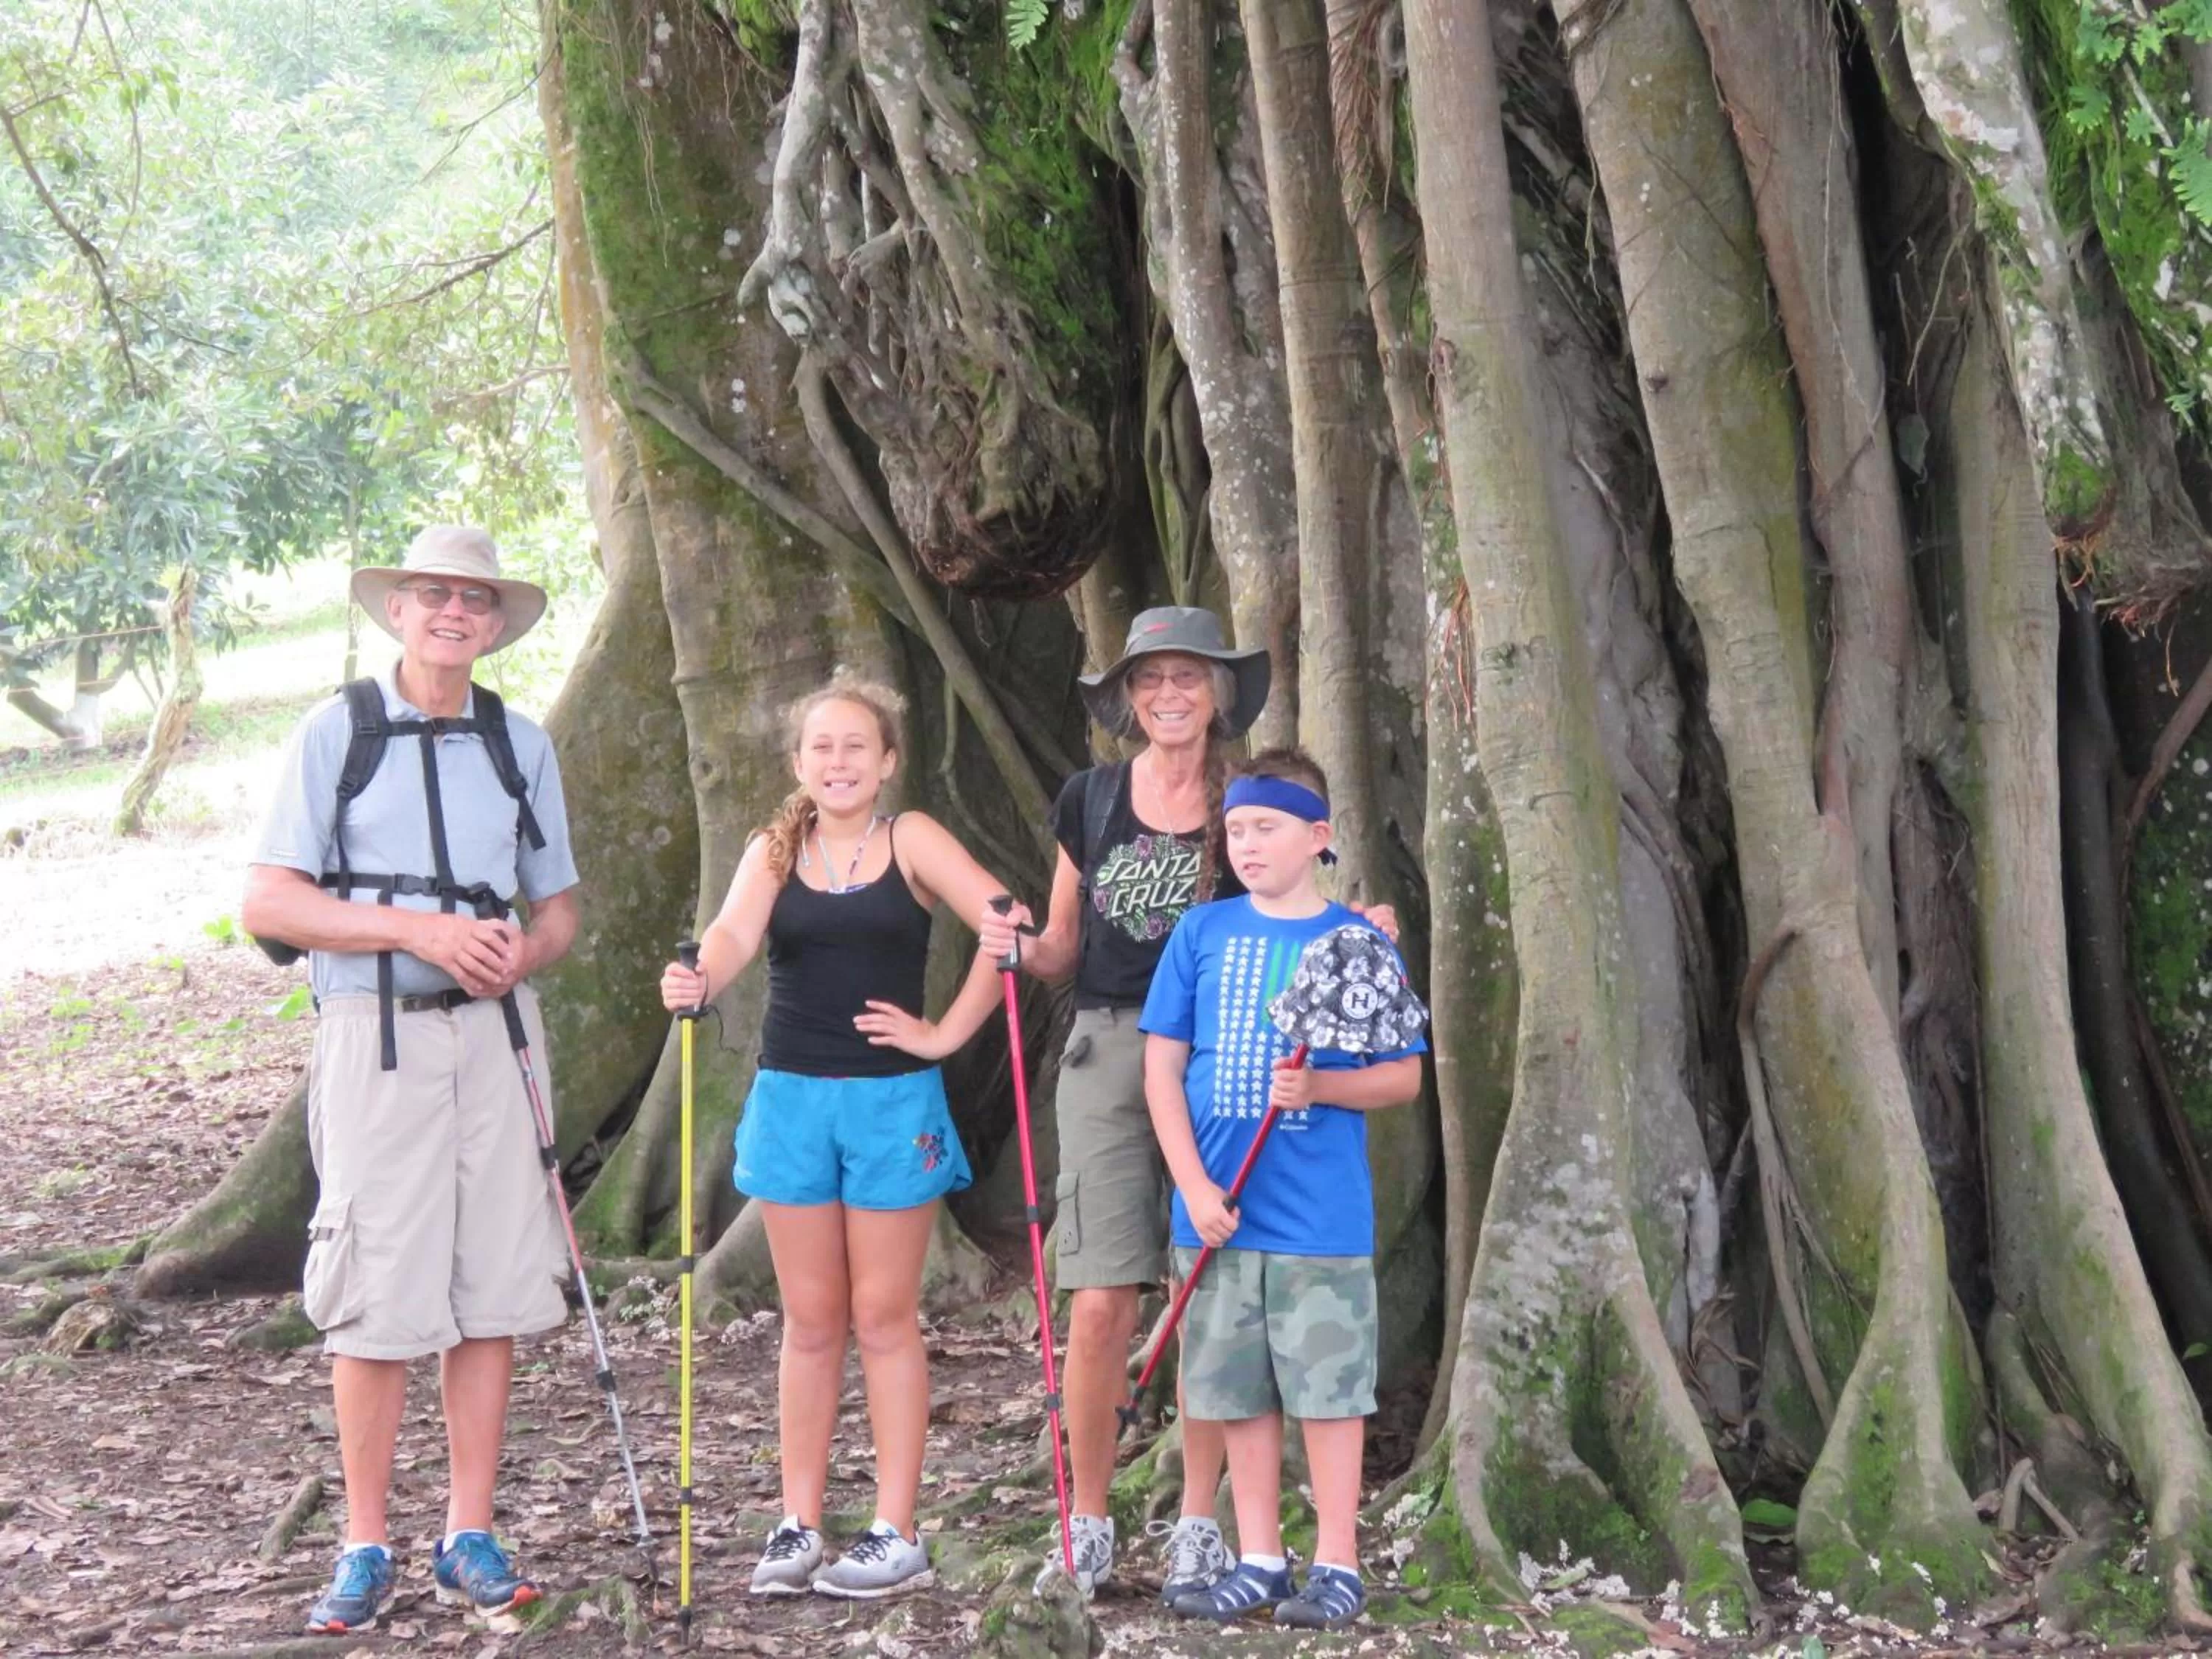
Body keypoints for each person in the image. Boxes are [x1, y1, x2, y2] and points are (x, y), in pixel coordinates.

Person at [240, 526, 580, 1635]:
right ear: (397, 609)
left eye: (474, 599)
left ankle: (468, 1534)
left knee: (494, 1283)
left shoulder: (519, 744)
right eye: (434, 593)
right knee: (375, 1290)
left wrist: (519, 953)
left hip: (495, 1036)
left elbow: (558, 910)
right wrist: (418, 930)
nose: (453, 612)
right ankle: (365, 1543)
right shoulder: (336, 733)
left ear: (495, 622)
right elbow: (269, 903)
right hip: (373, 1035)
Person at [658, 678, 1030, 1600]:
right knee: (813, 1321)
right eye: (821, 747)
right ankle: (799, 1523)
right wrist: (698, 979)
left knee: (884, 1318)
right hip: (791, 1101)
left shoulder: (913, 838)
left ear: (888, 760)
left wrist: (944, 1035)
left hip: (892, 1106)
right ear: (798, 763)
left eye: (856, 746)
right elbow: (732, 934)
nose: (838, 762)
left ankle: (896, 1530)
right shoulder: (775, 848)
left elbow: (1008, 926)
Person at [1012, 605, 1269, 1600]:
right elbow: (1061, 948)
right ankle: (1087, 1520)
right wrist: (1015, 944)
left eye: (1188, 676)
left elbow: (1286, 912)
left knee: (1204, 1285)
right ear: (1127, 696)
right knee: (1100, 1300)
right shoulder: (1091, 797)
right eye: (1151, 677)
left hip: (1219, 1048)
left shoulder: (1246, 799)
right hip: (1111, 1043)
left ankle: (1199, 1522)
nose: (1169, 694)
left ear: (1219, 693)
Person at [1141, 748, 1424, 1630]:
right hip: (1217, 1214)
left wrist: (1322, 1087)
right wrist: (1193, 1187)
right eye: (1235, 830)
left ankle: (1337, 1561)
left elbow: (1403, 1077)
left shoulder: (1357, 944)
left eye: (1266, 827)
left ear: (1318, 836)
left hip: (1318, 1216)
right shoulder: (1201, 933)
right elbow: (1161, 1071)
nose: (1248, 845)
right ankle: (1259, 1556)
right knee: (1236, 1389)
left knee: (1328, 1392)